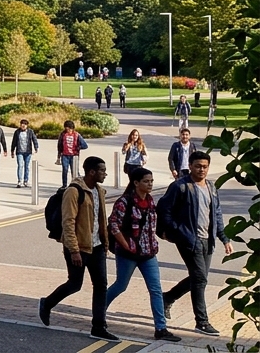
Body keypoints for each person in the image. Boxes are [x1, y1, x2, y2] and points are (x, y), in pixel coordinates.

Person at [39, 156, 115, 340]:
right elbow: (68, 222)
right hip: (78, 247)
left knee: (101, 286)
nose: (105, 174)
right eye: (102, 170)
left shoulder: (99, 190)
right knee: (75, 284)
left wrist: (105, 244)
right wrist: (73, 250)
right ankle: (47, 304)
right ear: (91, 172)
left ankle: (98, 326)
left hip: (96, 247)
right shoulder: (74, 191)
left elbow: (101, 220)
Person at [103, 167, 181, 342]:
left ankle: (160, 328)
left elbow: (151, 226)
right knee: (121, 285)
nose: (150, 184)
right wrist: (125, 245)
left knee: (155, 289)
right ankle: (99, 314)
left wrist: (162, 237)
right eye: (146, 181)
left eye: (151, 181)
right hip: (128, 254)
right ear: (136, 183)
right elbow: (114, 225)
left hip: (148, 253)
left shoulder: (151, 201)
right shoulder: (124, 202)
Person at [158, 152, 232, 336]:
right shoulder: (180, 187)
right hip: (189, 240)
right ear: (190, 166)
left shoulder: (211, 187)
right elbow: (163, 210)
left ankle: (167, 297)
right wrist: (177, 231)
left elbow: (217, 214)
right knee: (200, 279)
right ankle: (202, 321)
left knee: (199, 277)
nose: (202, 170)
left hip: (208, 239)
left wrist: (224, 238)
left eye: (205, 166)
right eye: (198, 166)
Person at [9, 119, 39, 188]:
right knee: (20, 165)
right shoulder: (17, 132)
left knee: (27, 166)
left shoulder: (30, 132)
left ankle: (26, 180)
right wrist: (12, 151)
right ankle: (20, 181)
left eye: (24, 124)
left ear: (27, 125)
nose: (23, 125)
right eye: (22, 124)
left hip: (28, 152)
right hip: (19, 151)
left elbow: (34, 139)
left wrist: (36, 147)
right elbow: (14, 142)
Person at [58, 120, 84, 186]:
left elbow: (85, 145)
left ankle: (77, 184)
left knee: (74, 171)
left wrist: (78, 148)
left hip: (74, 156)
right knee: (65, 170)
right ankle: (64, 185)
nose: (67, 130)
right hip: (65, 155)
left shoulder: (77, 135)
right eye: (66, 129)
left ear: (72, 128)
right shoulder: (63, 134)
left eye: (69, 129)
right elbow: (59, 145)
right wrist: (58, 155)